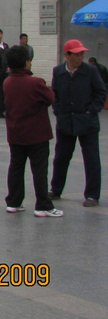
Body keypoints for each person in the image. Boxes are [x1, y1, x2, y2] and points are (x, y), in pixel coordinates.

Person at [2, 45, 62, 217]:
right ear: (26, 62)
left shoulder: (7, 82)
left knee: (16, 166)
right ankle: (43, 204)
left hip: (15, 132)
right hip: (36, 133)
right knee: (39, 169)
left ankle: (14, 201)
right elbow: (50, 98)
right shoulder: (35, 82)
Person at [49, 39, 106, 207]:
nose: (80, 57)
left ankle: (92, 195)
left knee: (92, 159)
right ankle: (56, 189)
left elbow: (101, 93)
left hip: (87, 122)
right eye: (77, 54)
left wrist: (91, 109)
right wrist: (58, 110)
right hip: (66, 121)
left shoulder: (91, 71)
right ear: (67, 55)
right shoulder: (58, 71)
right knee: (61, 157)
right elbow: (55, 93)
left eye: (82, 54)